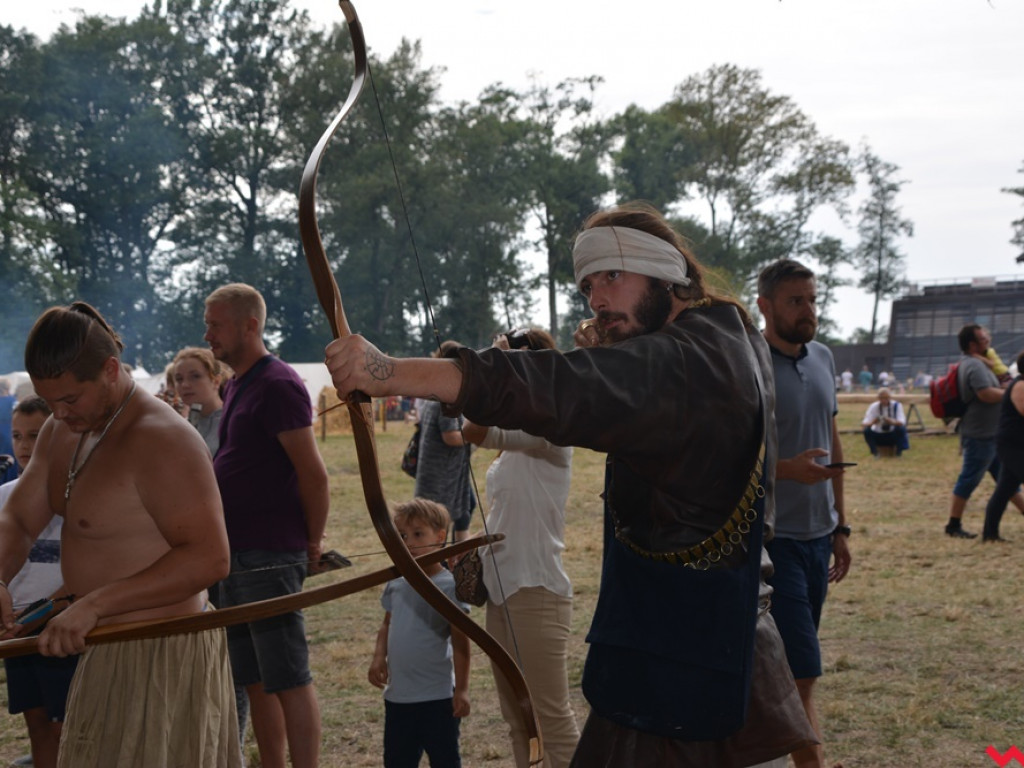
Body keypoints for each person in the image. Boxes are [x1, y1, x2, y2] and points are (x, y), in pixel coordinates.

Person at [326, 202, 817, 767]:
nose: (597, 300)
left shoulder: (686, 359)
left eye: (612, 275)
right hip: (706, 643)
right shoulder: (730, 334)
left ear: (667, 269)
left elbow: (559, 387)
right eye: (587, 286)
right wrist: (616, 359)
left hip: (691, 663)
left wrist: (386, 371)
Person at [0, 301, 239, 768]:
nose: (60, 414)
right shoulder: (61, 428)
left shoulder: (162, 440)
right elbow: (19, 519)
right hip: (103, 652)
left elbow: (209, 558)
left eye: (70, 399)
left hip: (161, 654)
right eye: (50, 403)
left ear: (110, 369)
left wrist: (93, 604)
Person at [204, 283, 330, 768]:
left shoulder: (277, 383)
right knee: (254, 678)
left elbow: (313, 473)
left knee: (289, 677)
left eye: (216, 324)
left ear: (249, 326)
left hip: (269, 553)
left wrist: (311, 542)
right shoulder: (237, 382)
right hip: (235, 554)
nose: (208, 333)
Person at [462, 328, 579, 768]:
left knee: (550, 719)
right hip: (503, 589)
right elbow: (477, 428)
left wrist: (492, 366)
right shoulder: (514, 437)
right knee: (519, 721)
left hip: (536, 590)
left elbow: (473, 430)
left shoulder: (549, 426)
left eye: (521, 369)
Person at [756, 259, 851, 768]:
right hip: (776, 541)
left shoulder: (824, 358)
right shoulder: (749, 365)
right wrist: (786, 470)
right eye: (796, 301)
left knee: (791, 667)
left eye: (813, 300)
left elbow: (832, 441)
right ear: (765, 306)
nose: (809, 311)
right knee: (802, 674)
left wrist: (841, 525)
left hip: (820, 535)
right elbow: (732, 456)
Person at [0, 397, 78, 768]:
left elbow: (83, 573)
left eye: (35, 435)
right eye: (17, 436)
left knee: (67, 725)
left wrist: (43, 614)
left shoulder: (78, 496)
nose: (25, 446)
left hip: (63, 623)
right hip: (16, 629)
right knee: (36, 722)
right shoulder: (3, 497)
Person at [369, 499, 471, 768]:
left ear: (439, 537)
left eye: (418, 534)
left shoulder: (449, 586)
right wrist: (379, 657)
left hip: (437, 697)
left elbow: (462, 639)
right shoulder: (396, 581)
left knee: (445, 759)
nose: (408, 542)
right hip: (399, 697)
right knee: (398, 760)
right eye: (402, 535)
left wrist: (461, 689)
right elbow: (387, 623)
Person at [945, 324, 1024, 539]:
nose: (988, 339)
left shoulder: (982, 363)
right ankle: (953, 525)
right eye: (983, 337)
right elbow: (985, 394)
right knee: (970, 478)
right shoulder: (973, 365)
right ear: (972, 344)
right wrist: (1009, 393)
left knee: (1007, 481)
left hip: (991, 434)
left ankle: (989, 530)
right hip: (980, 433)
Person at [415, 341, 475, 542]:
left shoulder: (438, 392)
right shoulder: (446, 398)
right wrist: (476, 434)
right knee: (436, 525)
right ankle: (445, 564)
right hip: (441, 476)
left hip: (447, 473)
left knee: (465, 509)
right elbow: (450, 437)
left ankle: (459, 555)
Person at [981, 351, 1024, 542]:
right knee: (1005, 488)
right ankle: (989, 533)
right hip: (1013, 445)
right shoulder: (1021, 385)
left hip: (1017, 443)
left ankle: (990, 534)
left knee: (1005, 488)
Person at [172, 346, 228, 456]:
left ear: (216, 381)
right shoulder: (182, 426)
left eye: (195, 376)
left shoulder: (232, 422)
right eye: (179, 379)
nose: (185, 385)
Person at [861, 387, 910, 457]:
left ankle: (898, 453)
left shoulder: (896, 405)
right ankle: (875, 453)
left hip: (892, 433)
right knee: (867, 431)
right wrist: (873, 422)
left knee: (901, 429)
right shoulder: (874, 406)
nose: (884, 400)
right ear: (878, 398)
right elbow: (864, 423)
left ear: (890, 397)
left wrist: (891, 422)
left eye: (886, 398)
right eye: (882, 398)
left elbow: (902, 422)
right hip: (878, 434)